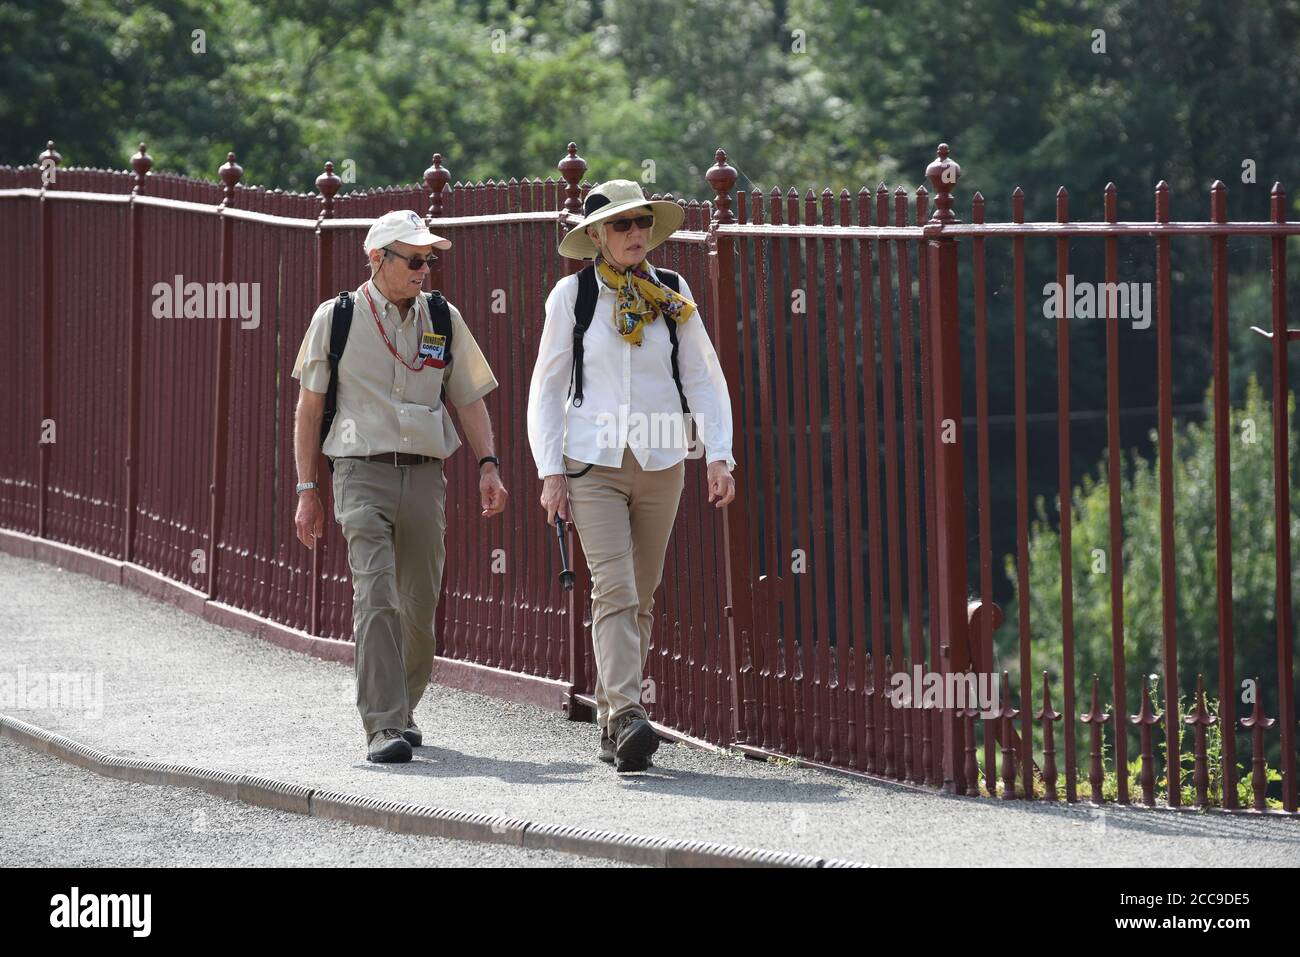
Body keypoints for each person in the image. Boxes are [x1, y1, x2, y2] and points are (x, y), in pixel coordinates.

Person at [527, 179, 736, 772]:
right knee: (614, 589)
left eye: (642, 221)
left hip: (664, 459)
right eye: (621, 225)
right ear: (595, 235)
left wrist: (719, 454)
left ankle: (611, 725)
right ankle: (625, 714)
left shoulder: (672, 292)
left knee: (641, 597)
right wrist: (550, 471)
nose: (635, 233)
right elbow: (546, 388)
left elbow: (702, 376)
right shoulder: (572, 298)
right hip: (592, 463)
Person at [291, 209, 508, 763]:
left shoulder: (442, 316)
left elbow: (468, 397)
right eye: (413, 258)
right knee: (377, 594)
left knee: (419, 605)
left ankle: (403, 708)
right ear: (376, 259)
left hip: (425, 476)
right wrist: (306, 489)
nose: (424, 268)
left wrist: (488, 464)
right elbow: (308, 409)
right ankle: (382, 724)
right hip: (359, 473)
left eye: (428, 258)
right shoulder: (335, 317)